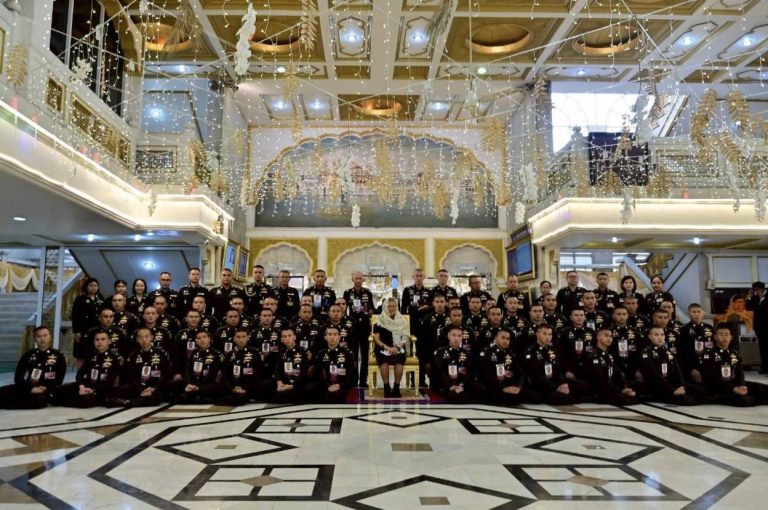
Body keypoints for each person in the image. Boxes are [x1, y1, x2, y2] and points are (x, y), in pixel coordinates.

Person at [0, 326, 66, 409]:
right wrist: (31, 389)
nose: (42, 339)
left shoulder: (58, 356)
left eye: (45, 335)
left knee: (38, 401)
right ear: (35, 339)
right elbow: (18, 377)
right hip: (28, 388)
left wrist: (45, 388)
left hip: (46, 391)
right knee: (2, 392)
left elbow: (59, 379)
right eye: (39, 336)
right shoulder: (28, 355)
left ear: (50, 337)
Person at [701, 324, 768, 406]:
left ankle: (757, 399)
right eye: (721, 335)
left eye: (727, 335)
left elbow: (740, 373)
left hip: (735, 384)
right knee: (745, 400)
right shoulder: (708, 354)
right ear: (715, 337)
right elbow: (712, 378)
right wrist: (733, 389)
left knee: (764, 389)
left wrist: (742, 385)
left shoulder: (734, 353)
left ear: (731, 337)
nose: (724, 337)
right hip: (718, 387)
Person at [637, 326, 705, 405]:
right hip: (657, 386)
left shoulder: (667, 351)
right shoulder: (646, 353)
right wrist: (672, 390)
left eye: (662, 335)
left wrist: (681, 386)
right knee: (685, 399)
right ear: (650, 337)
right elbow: (655, 376)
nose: (660, 337)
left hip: (671, 383)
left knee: (701, 392)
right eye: (656, 335)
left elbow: (678, 371)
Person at [56, 331, 125, 408]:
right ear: (94, 342)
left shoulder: (115, 358)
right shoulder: (91, 356)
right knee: (58, 390)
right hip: (86, 386)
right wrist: (81, 386)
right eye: (97, 340)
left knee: (84, 401)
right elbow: (79, 374)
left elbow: (111, 381)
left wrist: (92, 390)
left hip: (101, 391)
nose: (100, 342)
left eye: (103, 339)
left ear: (109, 341)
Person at [522, 324, 581, 405]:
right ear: (537, 334)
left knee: (578, 388)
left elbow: (557, 370)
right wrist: (556, 387)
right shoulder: (530, 351)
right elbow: (536, 375)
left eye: (550, 334)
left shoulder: (552, 350)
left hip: (553, 382)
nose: (548, 337)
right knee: (559, 397)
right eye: (544, 334)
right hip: (539, 384)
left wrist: (563, 383)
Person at [477, 328, 533, 405]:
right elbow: (486, 375)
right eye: (503, 338)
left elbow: (520, 373)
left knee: (532, 396)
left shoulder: (510, 353)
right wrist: (503, 388)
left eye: (507, 339)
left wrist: (518, 387)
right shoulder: (486, 352)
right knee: (511, 399)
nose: (505, 341)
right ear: (496, 338)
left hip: (508, 384)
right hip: (493, 386)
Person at [118, 326, 171, 406]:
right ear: (137, 339)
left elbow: (165, 374)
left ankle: (130, 402)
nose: (144, 340)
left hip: (156, 386)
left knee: (157, 396)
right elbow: (132, 376)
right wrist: (141, 389)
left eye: (146, 336)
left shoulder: (162, 353)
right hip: (138, 387)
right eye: (141, 337)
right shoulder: (132, 356)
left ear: (152, 337)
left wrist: (153, 388)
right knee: (122, 389)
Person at [583, 328, 638, 405]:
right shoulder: (594, 356)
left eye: (611, 336)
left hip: (610, 388)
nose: (609, 339)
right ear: (598, 337)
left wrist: (624, 388)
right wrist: (621, 391)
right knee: (626, 400)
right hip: (599, 390)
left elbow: (617, 373)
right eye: (606, 336)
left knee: (636, 394)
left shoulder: (609, 355)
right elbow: (600, 379)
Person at [219, 327, 271, 405]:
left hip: (251, 387)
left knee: (268, 383)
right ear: (234, 339)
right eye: (238, 337)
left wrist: (245, 388)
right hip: (234, 386)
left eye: (243, 337)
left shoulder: (256, 352)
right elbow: (225, 375)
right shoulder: (229, 354)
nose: (241, 339)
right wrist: (233, 388)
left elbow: (259, 374)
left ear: (248, 338)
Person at [171, 330, 225, 404]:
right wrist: (189, 383)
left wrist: (200, 387)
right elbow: (188, 370)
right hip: (195, 383)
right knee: (176, 389)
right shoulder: (194, 353)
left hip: (209, 384)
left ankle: (198, 396)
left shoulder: (218, 354)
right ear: (196, 341)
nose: (202, 340)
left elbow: (216, 374)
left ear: (209, 339)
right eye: (199, 338)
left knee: (218, 388)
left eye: (204, 337)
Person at [343, 271, 374, 387]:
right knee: (353, 355)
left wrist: (367, 311)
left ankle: (363, 381)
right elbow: (343, 309)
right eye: (356, 278)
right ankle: (353, 380)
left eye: (360, 279)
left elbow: (372, 309)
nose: (358, 281)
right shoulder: (347, 293)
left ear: (363, 280)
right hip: (352, 327)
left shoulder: (367, 292)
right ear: (352, 279)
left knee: (365, 356)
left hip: (365, 327)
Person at [373, 297, 408, 397]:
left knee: (399, 360)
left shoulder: (402, 320)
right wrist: (388, 348)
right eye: (389, 306)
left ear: (396, 307)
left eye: (393, 306)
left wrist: (397, 347)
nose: (391, 308)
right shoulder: (379, 321)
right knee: (383, 360)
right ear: (384, 307)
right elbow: (377, 339)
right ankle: (386, 388)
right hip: (383, 347)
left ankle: (396, 388)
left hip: (398, 347)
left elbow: (405, 337)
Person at [315, 326, 356, 403]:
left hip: (342, 387)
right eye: (329, 334)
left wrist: (340, 385)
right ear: (325, 337)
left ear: (339, 337)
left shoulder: (347, 353)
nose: (332, 337)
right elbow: (318, 374)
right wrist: (327, 386)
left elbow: (351, 374)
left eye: (335, 334)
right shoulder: (321, 354)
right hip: (325, 387)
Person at [273, 328, 315, 402]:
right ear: (282, 339)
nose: (287, 338)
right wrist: (279, 382)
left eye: (289, 336)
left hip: (299, 383)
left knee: (309, 389)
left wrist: (292, 386)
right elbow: (277, 368)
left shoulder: (304, 351)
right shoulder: (281, 352)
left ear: (294, 337)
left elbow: (305, 372)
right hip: (285, 382)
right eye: (284, 336)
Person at [557, 308, 597, 385]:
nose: (579, 317)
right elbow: (561, 354)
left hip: (588, 368)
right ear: (571, 317)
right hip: (571, 369)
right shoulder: (564, 332)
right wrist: (565, 371)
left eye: (581, 315)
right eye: (576, 315)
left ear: (585, 317)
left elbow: (595, 351)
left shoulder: (591, 332)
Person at [420, 293, 451, 387]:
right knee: (434, 383)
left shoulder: (450, 317)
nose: (439, 304)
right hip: (432, 352)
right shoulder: (427, 318)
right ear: (433, 303)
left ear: (445, 303)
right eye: (437, 302)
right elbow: (424, 340)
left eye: (442, 302)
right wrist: (426, 360)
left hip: (448, 352)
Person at [71, 277, 104, 365]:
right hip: (83, 330)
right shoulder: (80, 298)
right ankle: (80, 373)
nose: (93, 287)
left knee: (96, 353)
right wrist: (76, 331)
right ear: (86, 286)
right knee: (81, 354)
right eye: (91, 285)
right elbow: (75, 315)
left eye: (95, 285)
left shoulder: (100, 299)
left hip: (97, 329)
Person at [679, 303, 715, 384]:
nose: (696, 314)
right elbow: (682, 352)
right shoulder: (684, 329)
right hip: (692, 366)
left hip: (708, 364)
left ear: (703, 313)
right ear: (689, 313)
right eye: (694, 312)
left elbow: (714, 347)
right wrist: (691, 368)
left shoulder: (709, 328)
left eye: (699, 312)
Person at [609, 305, 642, 383]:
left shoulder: (635, 332)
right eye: (619, 314)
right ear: (613, 316)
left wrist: (639, 369)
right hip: (615, 367)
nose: (621, 317)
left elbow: (640, 351)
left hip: (632, 367)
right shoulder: (608, 332)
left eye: (624, 314)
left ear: (627, 315)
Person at [401, 269, 432, 339]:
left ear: (424, 277)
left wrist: (427, 307)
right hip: (412, 320)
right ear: (413, 277)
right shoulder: (407, 290)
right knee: (412, 340)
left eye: (421, 276)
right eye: (417, 276)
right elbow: (403, 306)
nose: (419, 278)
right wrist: (403, 319)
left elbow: (432, 305)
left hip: (425, 320)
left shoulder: (429, 291)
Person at [250, 308, 282, 374]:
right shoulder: (254, 333)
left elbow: (281, 348)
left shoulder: (278, 333)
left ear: (273, 317)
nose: (267, 318)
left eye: (269, 316)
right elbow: (251, 349)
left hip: (274, 365)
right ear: (260, 317)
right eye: (264, 315)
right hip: (258, 366)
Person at [173, 309, 204, 378]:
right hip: (183, 367)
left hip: (199, 367)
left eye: (196, 317)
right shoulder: (180, 334)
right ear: (186, 319)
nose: (193, 319)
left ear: (199, 319)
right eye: (191, 317)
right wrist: (176, 372)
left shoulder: (205, 334)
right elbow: (176, 355)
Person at [747, 281, 768, 374]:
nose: (756, 291)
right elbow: (749, 307)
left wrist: (761, 297)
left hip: (766, 325)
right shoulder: (755, 298)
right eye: (754, 290)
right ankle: (765, 367)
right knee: (762, 348)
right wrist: (749, 297)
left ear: (762, 289)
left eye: (757, 290)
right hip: (759, 327)